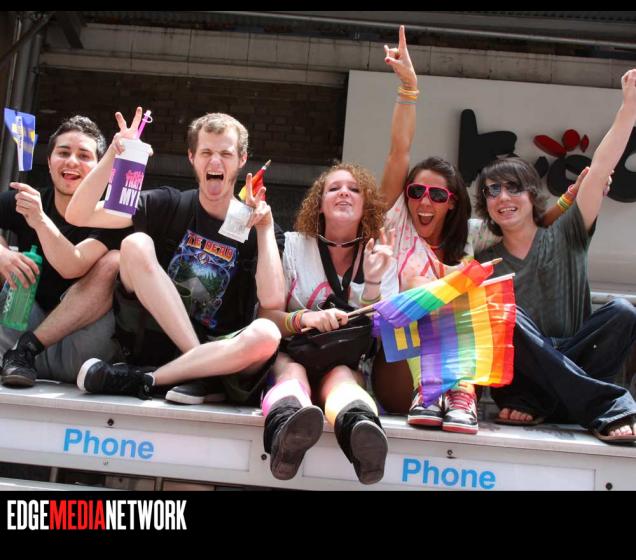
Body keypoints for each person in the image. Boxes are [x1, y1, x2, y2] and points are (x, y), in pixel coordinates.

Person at [373, 26, 580, 435]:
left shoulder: (472, 236)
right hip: (400, 372)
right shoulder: (395, 224)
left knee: (472, 282)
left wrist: (569, 202)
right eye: (416, 192)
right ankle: (431, 392)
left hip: (459, 383)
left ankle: (460, 396)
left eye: (437, 194)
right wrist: (409, 88)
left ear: (452, 202)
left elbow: (527, 224)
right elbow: (399, 150)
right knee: (422, 281)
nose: (424, 202)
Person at [65, 109, 285, 406]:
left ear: (242, 160)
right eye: (206, 152)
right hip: (158, 344)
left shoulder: (259, 226)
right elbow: (79, 214)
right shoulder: (170, 204)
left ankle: (148, 380)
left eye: (226, 154)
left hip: (221, 353)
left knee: (268, 334)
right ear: (192, 157)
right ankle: (197, 369)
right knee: (135, 244)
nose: (215, 161)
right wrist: (113, 156)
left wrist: (266, 227)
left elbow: (273, 301)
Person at [475, 69, 636, 443]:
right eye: (492, 191)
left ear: (532, 195)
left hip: (570, 370)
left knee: (623, 312)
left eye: (513, 188)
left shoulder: (567, 232)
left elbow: (599, 170)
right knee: (505, 314)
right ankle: (606, 406)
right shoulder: (484, 261)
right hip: (524, 384)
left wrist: (629, 108)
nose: (503, 198)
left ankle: (556, 401)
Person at [259, 162, 397, 484]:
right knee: (292, 373)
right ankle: (285, 441)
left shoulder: (382, 255)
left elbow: (383, 335)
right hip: (292, 354)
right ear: (319, 204)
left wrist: (373, 283)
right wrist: (306, 318)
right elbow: (264, 317)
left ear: (365, 205)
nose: (344, 193)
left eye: (354, 189)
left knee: (342, 380)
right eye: (334, 188)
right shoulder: (290, 245)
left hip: (346, 364)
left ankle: (364, 444)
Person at [0, 115, 126, 387]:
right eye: (64, 153)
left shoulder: (112, 216)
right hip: (16, 334)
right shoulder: (27, 199)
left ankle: (27, 348)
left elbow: (71, 266)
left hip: (79, 348)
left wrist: (39, 220)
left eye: (84, 156)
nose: (72, 162)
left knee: (114, 261)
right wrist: (3, 255)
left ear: (101, 168)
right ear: (49, 162)